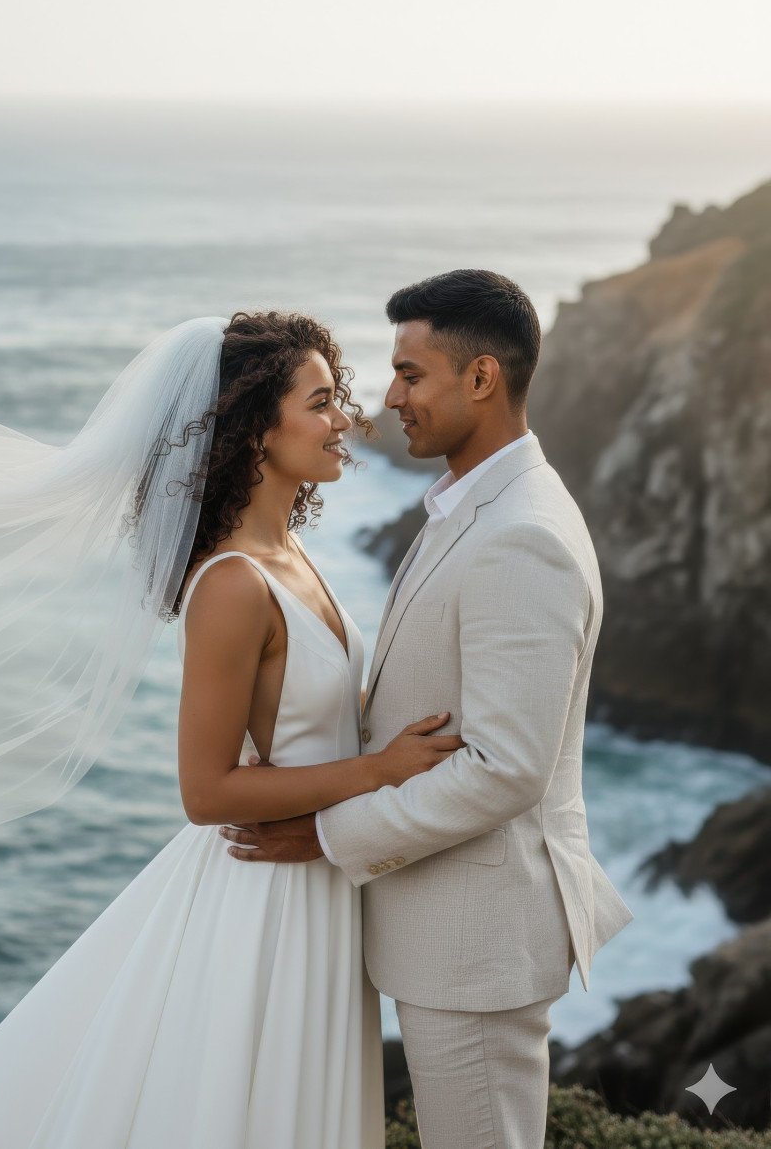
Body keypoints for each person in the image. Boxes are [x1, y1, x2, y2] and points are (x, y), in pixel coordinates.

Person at [0, 309, 464, 1148]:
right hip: (264, 899)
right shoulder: (233, 584)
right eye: (320, 403)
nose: (348, 420)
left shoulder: (292, 558)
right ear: (255, 433)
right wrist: (381, 773)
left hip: (320, 877)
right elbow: (207, 790)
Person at [217, 271, 636, 1149]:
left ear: (481, 379)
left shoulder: (521, 533)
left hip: (477, 944)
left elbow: (508, 769)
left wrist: (331, 833)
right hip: (447, 931)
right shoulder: (466, 506)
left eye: (411, 375)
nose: (390, 399)